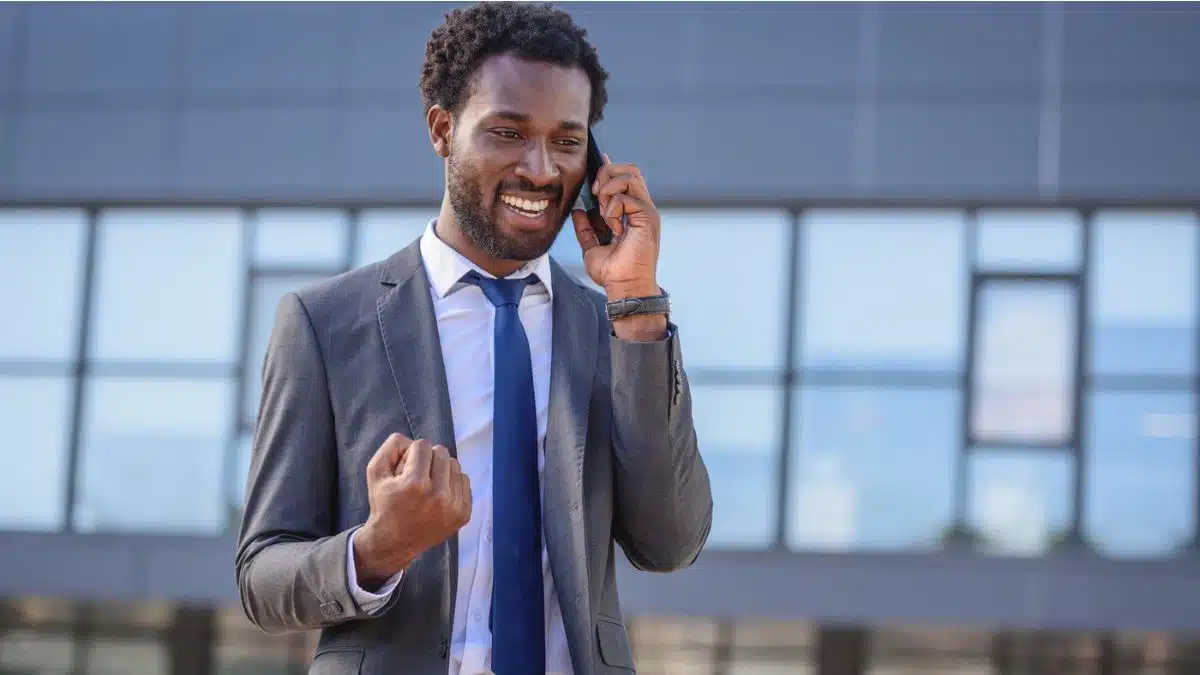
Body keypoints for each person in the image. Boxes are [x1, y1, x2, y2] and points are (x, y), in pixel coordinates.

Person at [234, 2, 713, 674]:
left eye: (568, 142)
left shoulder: (614, 331)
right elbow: (261, 574)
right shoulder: (324, 324)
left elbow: (671, 542)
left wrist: (635, 301)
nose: (541, 170)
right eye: (508, 132)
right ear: (442, 129)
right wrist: (376, 548)